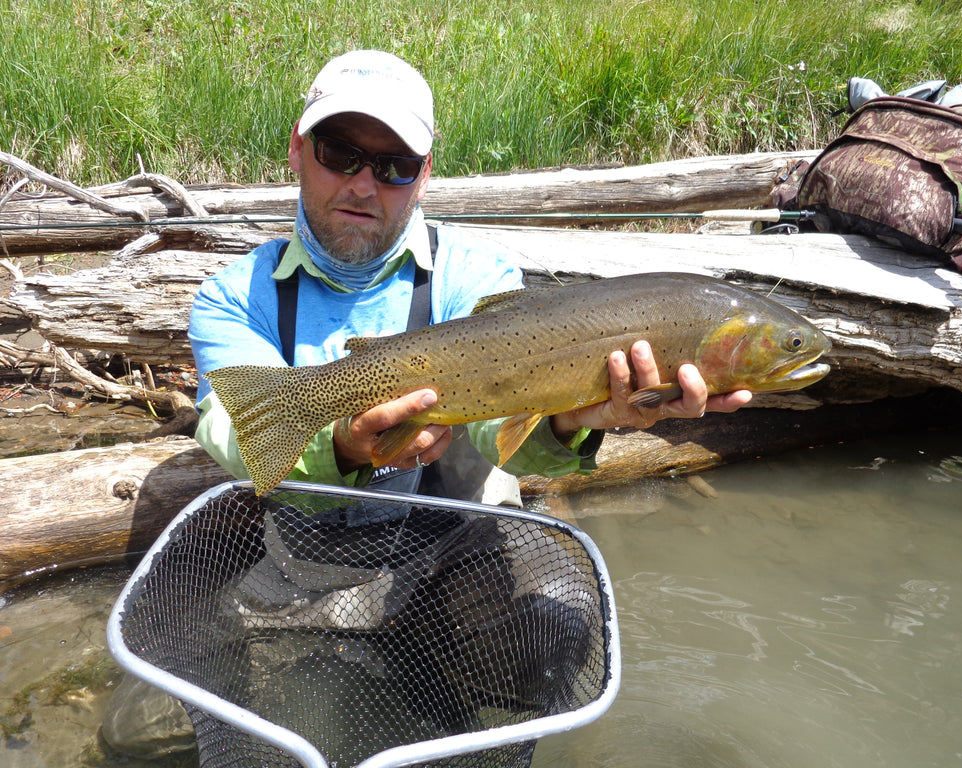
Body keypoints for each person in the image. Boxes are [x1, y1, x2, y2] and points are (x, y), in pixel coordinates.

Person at [188, 48, 751, 506]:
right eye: (339, 153)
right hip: (311, 558)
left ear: (425, 175)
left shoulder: (476, 273)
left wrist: (570, 421)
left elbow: (501, 434)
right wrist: (344, 446)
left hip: (471, 547)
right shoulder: (231, 299)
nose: (363, 185)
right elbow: (235, 435)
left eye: (395, 167)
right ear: (296, 147)